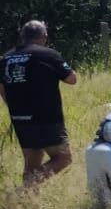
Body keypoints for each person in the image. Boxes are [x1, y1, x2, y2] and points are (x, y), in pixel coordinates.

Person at [0, 21, 79, 187]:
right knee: (63, 158)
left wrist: (13, 107)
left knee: (31, 165)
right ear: (44, 37)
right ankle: (22, 191)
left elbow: (2, 88)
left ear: (23, 37)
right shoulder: (49, 54)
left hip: (20, 119)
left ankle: (25, 206)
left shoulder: (6, 58)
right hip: (47, 118)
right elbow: (72, 79)